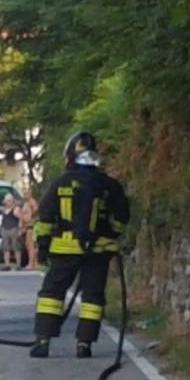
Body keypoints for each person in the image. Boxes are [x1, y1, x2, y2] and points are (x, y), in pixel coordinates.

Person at [30, 131, 131, 359]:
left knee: (51, 294)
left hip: (64, 250)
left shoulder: (60, 183)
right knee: (93, 296)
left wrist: (43, 247)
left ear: (70, 155)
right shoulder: (109, 185)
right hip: (98, 252)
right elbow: (122, 217)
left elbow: (45, 217)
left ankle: (43, 341)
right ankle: (84, 345)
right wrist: (110, 236)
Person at [0, 193, 22, 271]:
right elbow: (2, 220)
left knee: (16, 247)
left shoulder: (16, 208)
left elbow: (20, 219)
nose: (8, 202)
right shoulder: (4, 209)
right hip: (5, 229)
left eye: (10, 200)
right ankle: (7, 265)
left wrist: (20, 229)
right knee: (5, 248)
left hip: (14, 229)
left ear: (12, 201)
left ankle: (18, 265)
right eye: (7, 200)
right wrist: (0, 230)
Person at [20, 187, 39, 270]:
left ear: (30, 194)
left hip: (31, 226)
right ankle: (33, 263)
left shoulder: (32, 202)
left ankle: (31, 264)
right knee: (28, 245)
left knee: (30, 245)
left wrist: (32, 220)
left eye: (26, 193)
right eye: (24, 194)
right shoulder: (25, 203)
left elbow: (36, 211)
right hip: (26, 226)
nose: (25, 195)